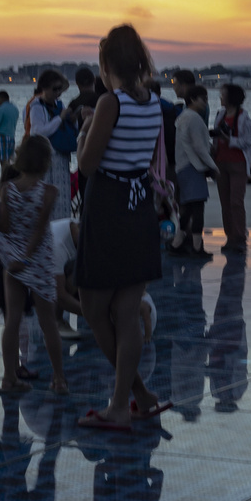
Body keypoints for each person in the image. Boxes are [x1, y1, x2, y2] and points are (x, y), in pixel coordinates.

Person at [74, 24, 169, 431]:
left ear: (106, 64)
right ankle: (138, 396)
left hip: (110, 207)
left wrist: (84, 132)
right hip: (139, 207)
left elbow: (88, 164)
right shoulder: (152, 103)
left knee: (94, 308)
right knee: (126, 313)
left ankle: (122, 402)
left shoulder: (111, 103)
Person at [0, 135, 67, 395]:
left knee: (12, 321)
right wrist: (28, 255)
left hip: (14, 261)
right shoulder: (49, 192)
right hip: (37, 261)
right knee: (48, 321)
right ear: (45, 162)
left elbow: (3, 226)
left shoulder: (8, 190)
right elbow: (39, 230)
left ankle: (9, 378)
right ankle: (59, 378)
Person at [171, 84, 217, 258]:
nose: (206, 102)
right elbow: (199, 147)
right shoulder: (194, 119)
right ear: (192, 99)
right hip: (193, 167)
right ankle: (197, 247)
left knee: (188, 208)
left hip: (183, 167)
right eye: (203, 99)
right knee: (197, 208)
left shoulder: (184, 117)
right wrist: (212, 166)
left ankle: (178, 242)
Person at [27, 69, 73, 222]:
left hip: (61, 157)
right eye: (55, 89)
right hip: (46, 159)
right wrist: (60, 119)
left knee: (62, 198)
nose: (58, 92)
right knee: (46, 200)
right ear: (44, 88)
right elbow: (38, 131)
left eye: (60, 89)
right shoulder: (37, 107)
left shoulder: (58, 105)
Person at [212, 83, 251, 254]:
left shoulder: (244, 118)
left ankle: (239, 236)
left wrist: (229, 139)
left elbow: (247, 142)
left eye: (223, 95)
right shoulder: (220, 115)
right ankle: (230, 236)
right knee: (225, 202)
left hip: (238, 163)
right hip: (221, 162)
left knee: (236, 201)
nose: (221, 97)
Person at [0, 89, 18, 163]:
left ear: (2, 98)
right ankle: (8, 174)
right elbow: (7, 121)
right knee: (9, 160)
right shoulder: (14, 108)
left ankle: (4, 174)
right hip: (11, 137)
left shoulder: (1, 109)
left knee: (3, 161)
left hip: (2, 138)